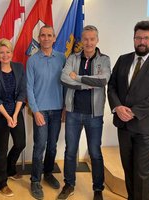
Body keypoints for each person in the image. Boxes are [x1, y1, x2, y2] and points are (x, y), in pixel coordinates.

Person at [107, 21, 149, 200]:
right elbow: (112, 86)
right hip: (123, 126)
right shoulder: (123, 59)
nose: (142, 41)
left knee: (142, 174)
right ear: (133, 38)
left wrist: (133, 111)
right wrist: (117, 107)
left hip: (147, 128)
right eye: (138, 37)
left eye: (146, 38)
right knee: (128, 170)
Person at [58, 25, 111, 200]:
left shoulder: (104, 59)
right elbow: (64, 78)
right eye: (85, 39)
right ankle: (69, 184)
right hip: (73, 113)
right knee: (70, 151)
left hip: (94, 115)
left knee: (95, 153)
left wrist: (78, 78)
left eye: (92, 39)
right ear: (81, 40)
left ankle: (98, 189)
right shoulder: (72, 58)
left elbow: (102, 80)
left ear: (97, 40)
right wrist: (88, 84)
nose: (88, 42)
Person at [26, 25, 66, 200]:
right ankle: (35, 180)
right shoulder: (32, 60)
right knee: (39, 146)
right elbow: (29, 88)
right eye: (43, 35)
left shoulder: (62, 58)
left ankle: (48, 172)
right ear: (39, 38)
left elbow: (66, 84)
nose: (46, 38)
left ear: (54, 38)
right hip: (40, 110)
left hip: (57, 110)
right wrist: (35, 111)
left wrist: (65, 107)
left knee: (52, 146)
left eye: (50, 35)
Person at [0, 39, 26, 197]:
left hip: (15, 111)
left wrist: (15, 115)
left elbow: (22, 92)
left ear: (12, 52)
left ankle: (10, 168)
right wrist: (8, 116)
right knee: (2, 148)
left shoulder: (19, 67)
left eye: (8, 52)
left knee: (20, 143)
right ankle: (1, 183)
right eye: (1, 52)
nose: (5, 55)